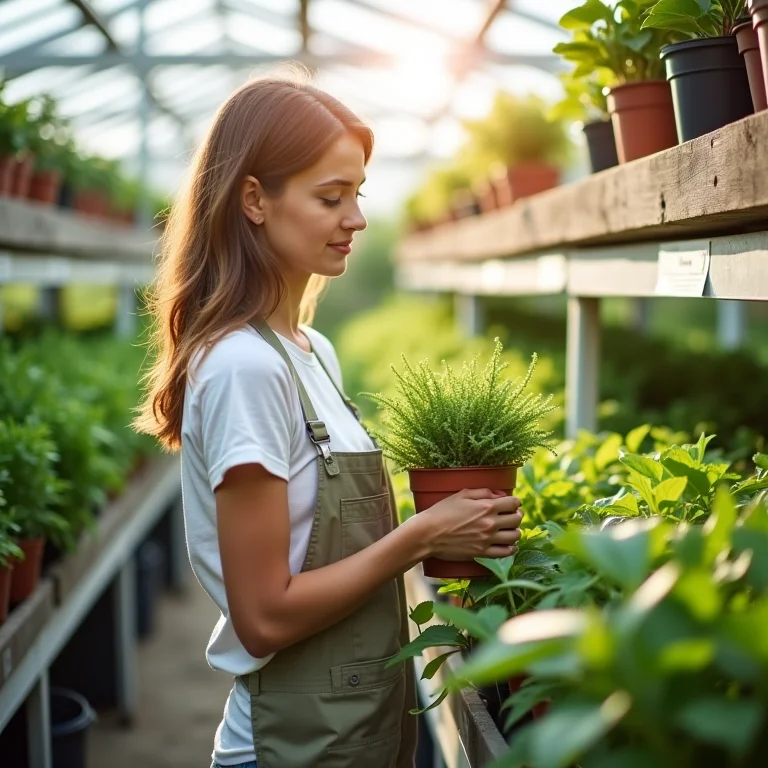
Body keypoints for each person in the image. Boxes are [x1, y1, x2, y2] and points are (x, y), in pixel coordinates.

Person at [135, 73, 524, 768]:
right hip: (289, 745)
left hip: (352, 731)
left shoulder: (312, 351)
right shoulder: (244, 369)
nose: (357, 219)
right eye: (329, 197)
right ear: (254, 199)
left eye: (358, 194)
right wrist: (422, 534)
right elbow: (263, 617)